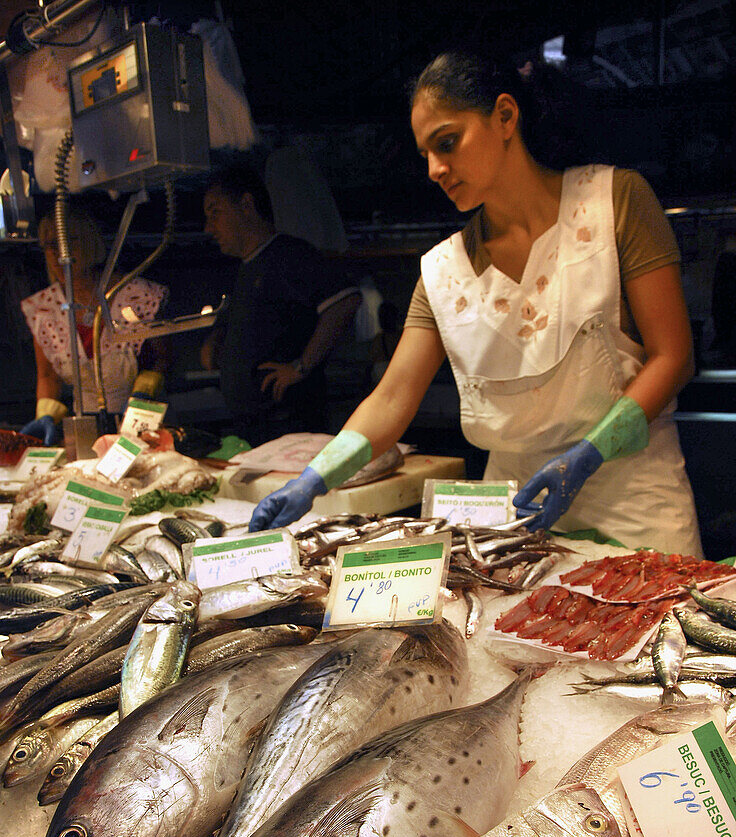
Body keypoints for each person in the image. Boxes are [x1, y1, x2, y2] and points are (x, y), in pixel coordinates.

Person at [250, 51, 702, 557]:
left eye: (447, 143)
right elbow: (392, 398)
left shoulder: (615, 201)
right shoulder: (443, 271)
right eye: (425, 154)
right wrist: (314, 478)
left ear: (505, 117)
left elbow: (673, 357)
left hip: (635, 507)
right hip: (516, 516)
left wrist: (589, 454)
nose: (435, 169)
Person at [201, 162, 362, 447]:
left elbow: (345, 301)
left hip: (289, 425)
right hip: (253, 428)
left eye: (215, 214)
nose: (208, 228)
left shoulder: (289, 255)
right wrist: (216, 342)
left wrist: (301, 366)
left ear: (246, 205)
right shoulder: (245, 269)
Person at [20, 206, 168, 445]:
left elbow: (164, 358)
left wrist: (146, 389)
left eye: (67, 242)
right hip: (83, 430)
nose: (58, 254)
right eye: (48, 245)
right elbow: (47, 375)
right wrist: (45, 414)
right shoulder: (45, 309)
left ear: (89, 241)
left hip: (143, 424)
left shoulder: (138, 296)